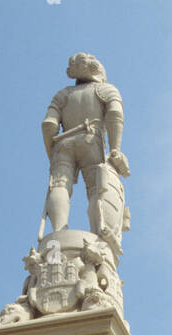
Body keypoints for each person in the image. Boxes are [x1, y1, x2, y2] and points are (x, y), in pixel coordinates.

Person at [41, 53, 129, 248]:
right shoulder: (106, 89)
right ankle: (100, 232)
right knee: (97, 189)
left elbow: (48, 125)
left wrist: (52, 155)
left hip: (63, 144)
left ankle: (58, 232)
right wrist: (115, 150)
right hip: (91, 140)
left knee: (60, 186)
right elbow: (115, 114)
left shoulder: (62, 95)